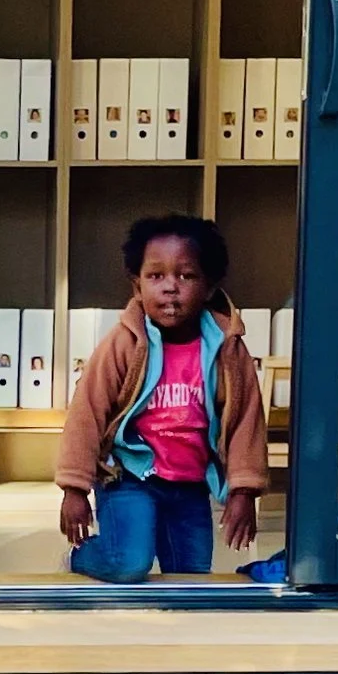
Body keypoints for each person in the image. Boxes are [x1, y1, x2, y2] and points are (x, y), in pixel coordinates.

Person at [57, 214, 269, 582]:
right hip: (129, 477)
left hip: (189, 485)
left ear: (208, 286)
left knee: (191, 576)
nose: (170, 287)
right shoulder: (123, 343)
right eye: (156, 276)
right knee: (129, 563)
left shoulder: (226, 349)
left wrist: (244, 491)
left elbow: (246, 420)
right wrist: (74, 488)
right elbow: (86, 411)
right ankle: (82, 556)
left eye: (186, 276)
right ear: (137, 285)